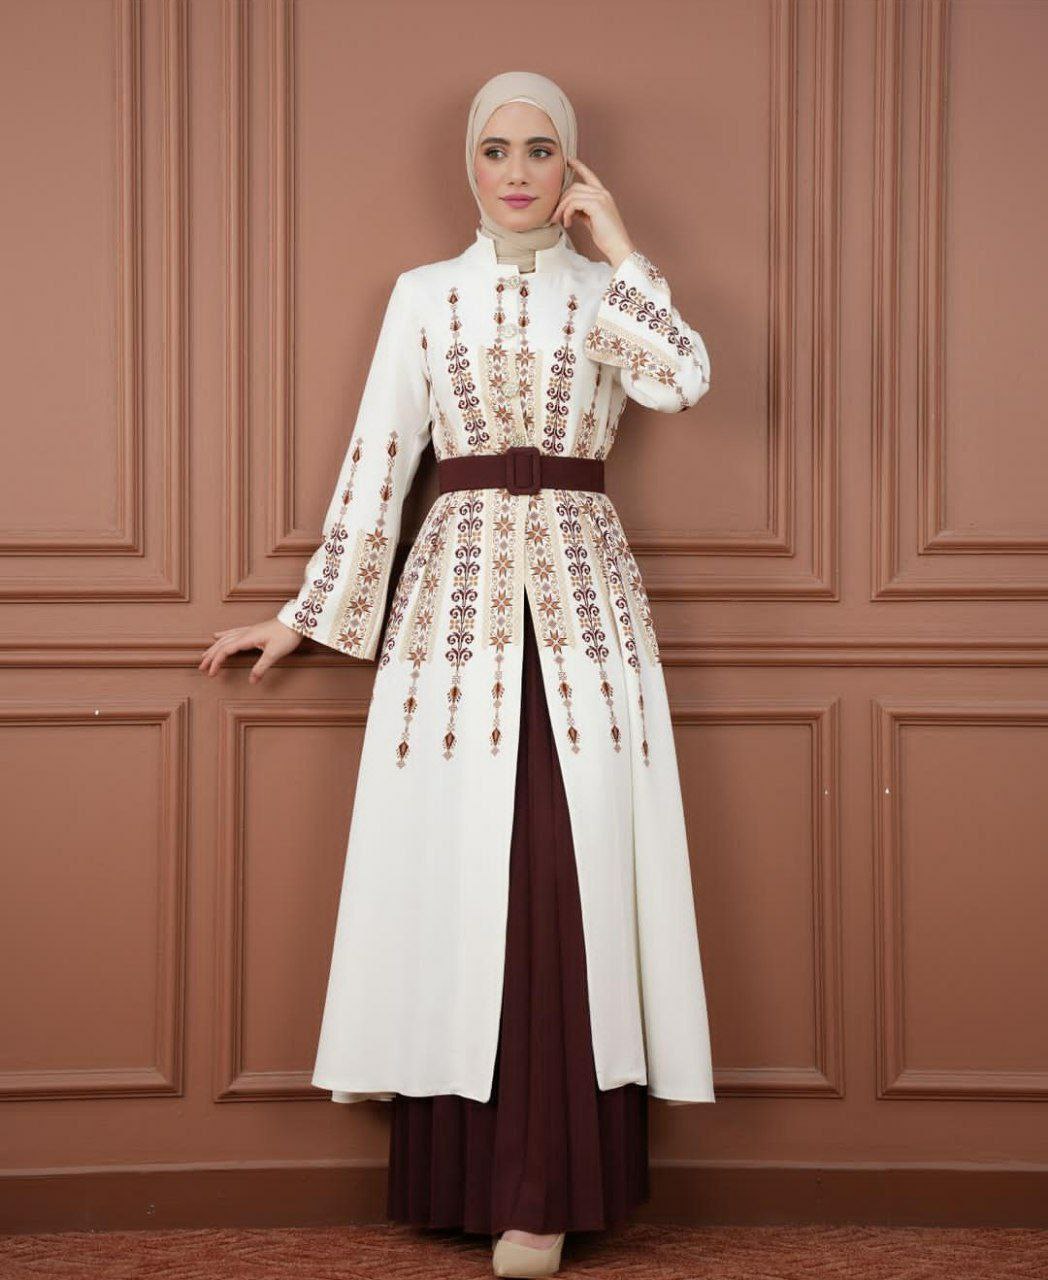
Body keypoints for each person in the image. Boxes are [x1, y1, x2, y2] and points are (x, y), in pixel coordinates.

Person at [199, 70, 715, 1280]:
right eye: (495, 148)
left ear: (571, 166)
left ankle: (551, 1188)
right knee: (467, 882)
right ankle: (473, 1181)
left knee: (572, 881)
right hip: (455, 621)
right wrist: (305, 615)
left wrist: (622, 247)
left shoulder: (605, 291)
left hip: (585, 613)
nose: (517, 171)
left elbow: (681, 380)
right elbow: (380, 459)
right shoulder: (424, 296)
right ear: (468, 164)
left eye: (541, 149)